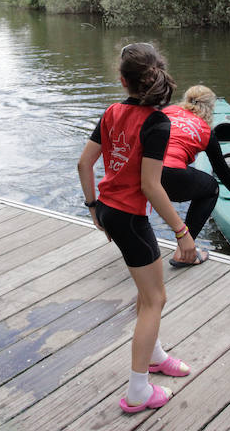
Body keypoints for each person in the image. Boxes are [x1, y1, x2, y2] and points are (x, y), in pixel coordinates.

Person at [77, 43, 195, 413]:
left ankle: (155, 355)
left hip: (111, 211)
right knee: (155, 300)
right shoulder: (158, 123)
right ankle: (137, 392)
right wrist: (182, 231)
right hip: (129, 217)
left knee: (148, 296)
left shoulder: (112, 111)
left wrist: (94, 207)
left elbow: (84, 164)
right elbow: (150, 185)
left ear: (122, 79)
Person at [161, 85, 230, 267]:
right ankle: (184, 251)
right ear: (210, 108)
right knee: (211, 188)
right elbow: (221, 169)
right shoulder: (206, 131)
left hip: (145, 171)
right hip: (171, 173)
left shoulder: (168, 111)